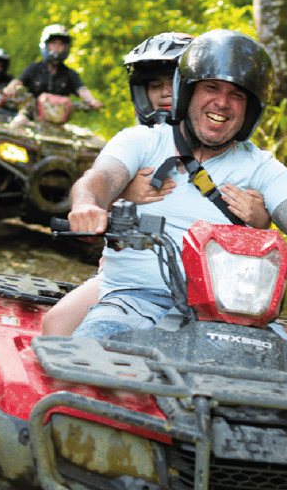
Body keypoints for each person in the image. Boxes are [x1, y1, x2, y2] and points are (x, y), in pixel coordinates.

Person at [63, 29, 287, 342]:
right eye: (211, 87)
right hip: (135, 301)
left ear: (250, 109)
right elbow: (99, 179)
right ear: (188, 93)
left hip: (235, 315)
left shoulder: (262, 167)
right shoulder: (141, 141)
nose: (222, 103)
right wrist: (87, 205)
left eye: (237, 95)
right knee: (82, 368)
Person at [41, 31, 272, 337]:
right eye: (155, 85)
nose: (166, 94)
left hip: (219, 292)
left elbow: (263, 206)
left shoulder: (236, 148)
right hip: (130, 283)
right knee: (55, 327)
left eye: (173, 84)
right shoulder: (139, 141)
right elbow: (99, 182)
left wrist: (262, 217)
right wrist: (113, 196)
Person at [2, 24, 103, 125]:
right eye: (53, 43)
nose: (56, 48)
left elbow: (82, 89)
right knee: (17, 124)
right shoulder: (34, 68)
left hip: (58, 121)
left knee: (88, 137)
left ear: (66, 47)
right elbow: (18, 81)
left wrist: (92, 101)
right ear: (46, 44)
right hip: (31, 115)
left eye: (60, 45)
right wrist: (10, 88)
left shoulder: (70, 74)